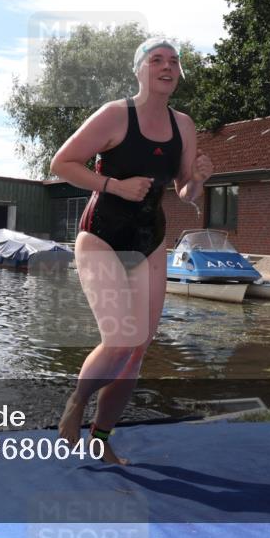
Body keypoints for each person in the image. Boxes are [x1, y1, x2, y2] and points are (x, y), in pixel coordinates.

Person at [50, 37, 212, 464]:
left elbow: (184, 191)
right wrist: (114, 185)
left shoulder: (184, 125)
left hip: (150, 238)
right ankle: (76, 403)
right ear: (139, 70)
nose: (167, 67)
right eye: (157, 60)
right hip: (102, 233)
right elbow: (62, 163)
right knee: (120, 338)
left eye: (174, 61)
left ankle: (102, 437)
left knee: (138, 347)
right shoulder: (115, 115)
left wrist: (198, 177)